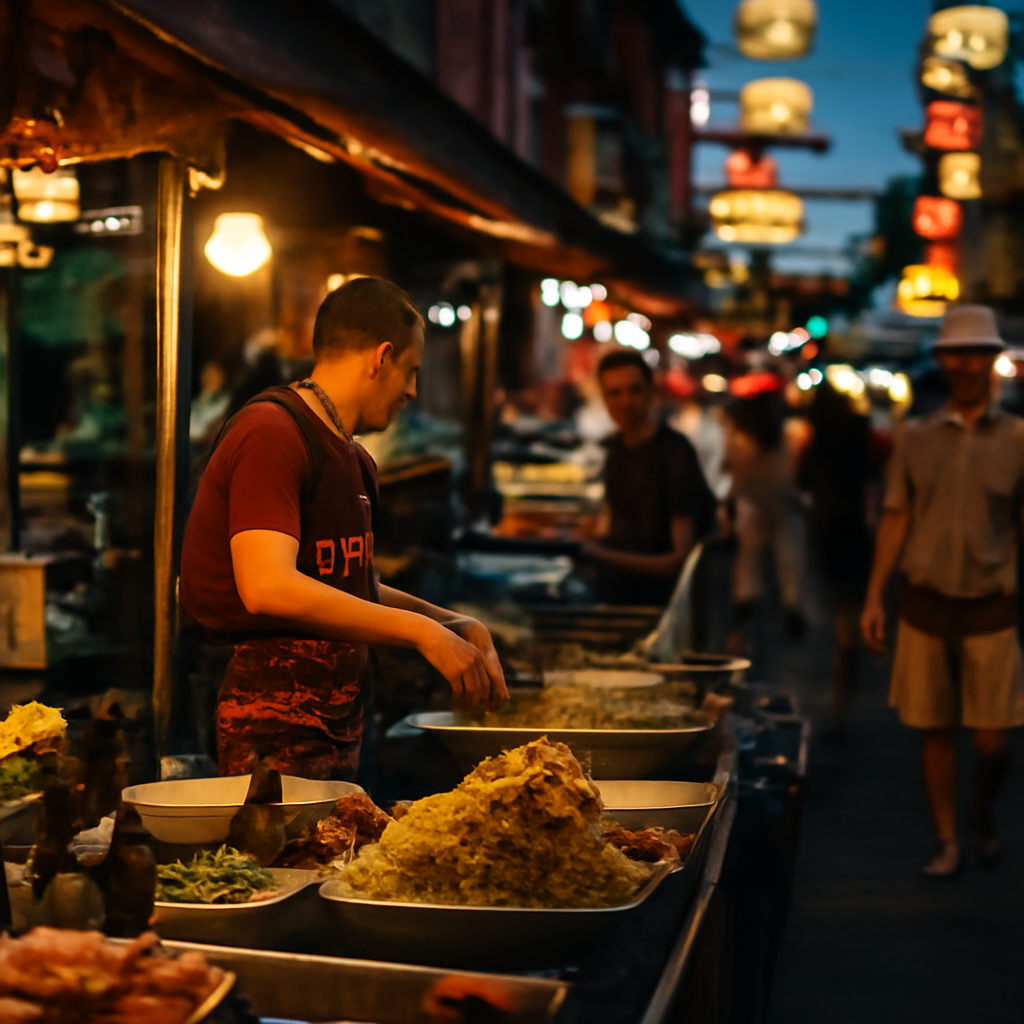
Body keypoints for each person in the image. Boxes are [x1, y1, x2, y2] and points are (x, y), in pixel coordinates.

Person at [180, 278, 507, 781]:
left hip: (336, 727)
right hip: (257, 728)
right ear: (381, 357)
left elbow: (352, 588)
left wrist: (452, 624)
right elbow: (266, 586)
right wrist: (420, 633)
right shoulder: (272, 432)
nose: (412, 391)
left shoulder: (355, 459)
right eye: (411, 371)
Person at [860, 304, 1024, 878]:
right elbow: (896, 516)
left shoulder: (1018, 439)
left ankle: (981, 814)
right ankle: (948, 839)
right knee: (937, 730)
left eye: (977, 354)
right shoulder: (915, 437)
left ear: (991, 361)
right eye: (956, 354)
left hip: (991, 606)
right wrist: (874, 596)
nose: (966, 365)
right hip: (925, 603)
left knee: (993, 742)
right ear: (943, 361)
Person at [582, 348, 716, 606]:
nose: (625, 402)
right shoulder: (616, 449)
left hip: (662, 606)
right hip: (619, 599)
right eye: (614, 393)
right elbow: (619, 529)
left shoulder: (675, 453)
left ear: (650, 392)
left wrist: (600, 554)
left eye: (634, 390)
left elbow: (679, 561)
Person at [799, 380, 885, 735]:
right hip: (857, 532)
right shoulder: (864, 433)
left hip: (828, 533)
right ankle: (842, 696)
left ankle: (839, 701)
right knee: (852, 608)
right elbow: (879, 475)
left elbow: (801, 479)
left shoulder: (815, 439)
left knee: (842, 614)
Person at [725, 389, 808, 652]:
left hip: (755, 509)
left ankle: (741, 630)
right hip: (780, 509)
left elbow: (734, 475)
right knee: (786, 565)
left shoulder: (744, 441)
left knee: (748, 569)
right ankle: (790, 607)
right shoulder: (786, 440)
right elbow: (793, 477)